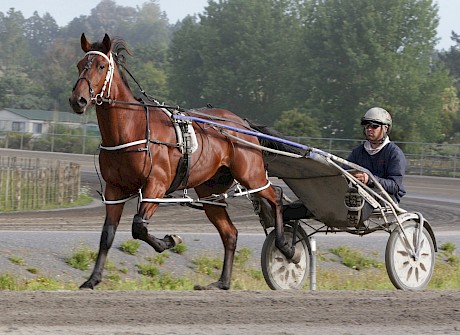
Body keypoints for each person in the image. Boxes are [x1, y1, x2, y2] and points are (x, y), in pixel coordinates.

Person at [347, 107, 407, 203]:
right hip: (361, 194)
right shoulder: (357, 152)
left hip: (386, 199)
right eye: (367, 126)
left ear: (385, 128)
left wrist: (370, 180)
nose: (369, 129)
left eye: (374, 126)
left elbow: (395, 186)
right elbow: (344, 171)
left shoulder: (394, 153)